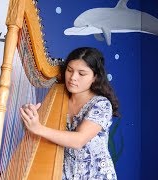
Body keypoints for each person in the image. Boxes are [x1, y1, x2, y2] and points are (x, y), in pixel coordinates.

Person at [20, 47, 120, 180]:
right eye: (69, 70)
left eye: (82, 74)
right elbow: (38, 134)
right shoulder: (57, 99)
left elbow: (79, 140)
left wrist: (38, 128)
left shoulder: (101, 105)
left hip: (94, 175)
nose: (73, 77)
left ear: (95, 77)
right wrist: (29, 118)